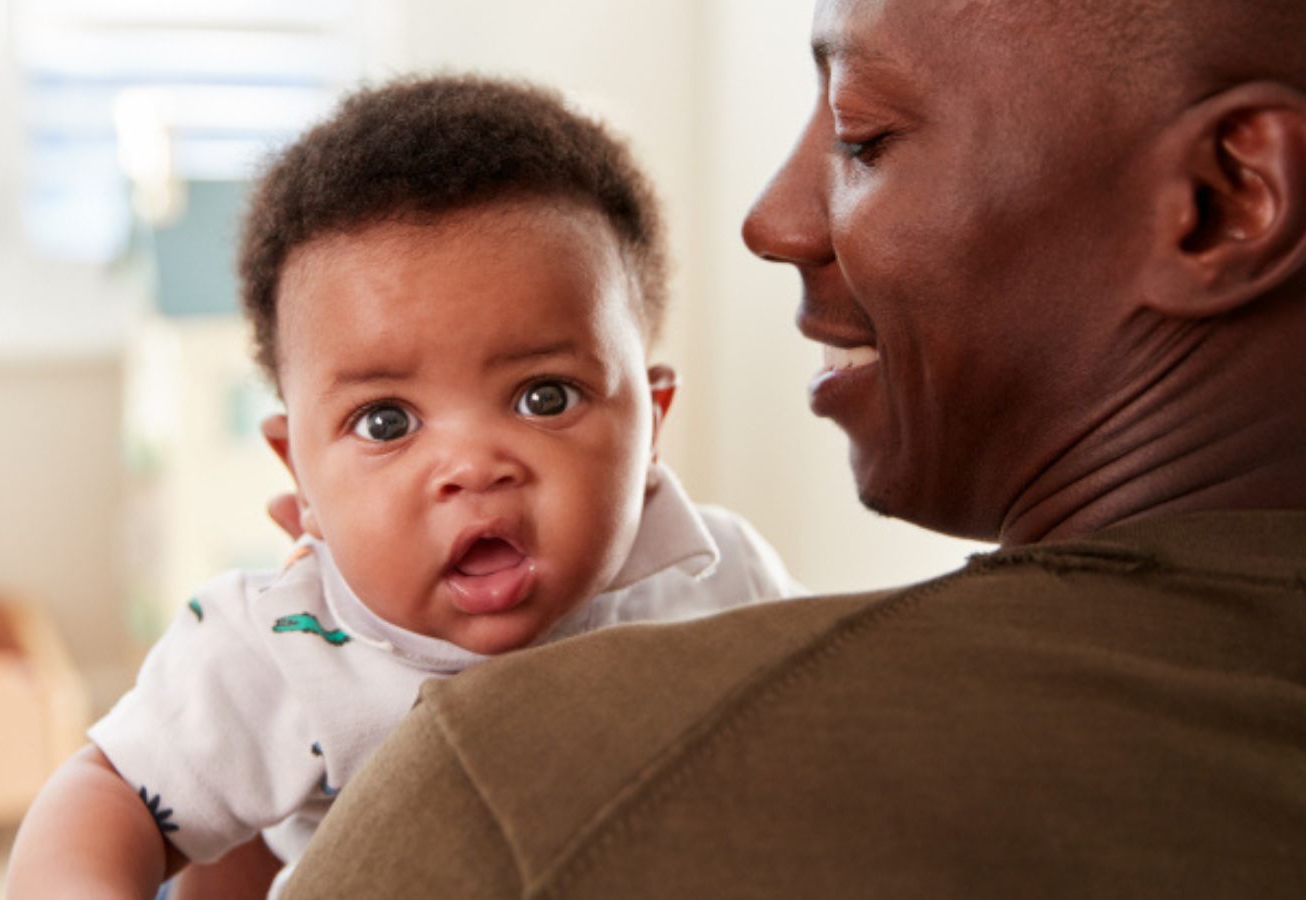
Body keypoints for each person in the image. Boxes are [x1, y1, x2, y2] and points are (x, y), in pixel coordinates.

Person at [280, 0, 1306, 896]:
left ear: (1222, 200)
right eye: (384, 421)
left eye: (862, 136)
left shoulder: (521, 783)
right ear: (296, 462)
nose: (770, 220)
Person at [5, 75, 802, 900]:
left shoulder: (720, 580)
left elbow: (827, 735)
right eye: (385, 422)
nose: (473, 466)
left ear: (652, 427)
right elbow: (108, 795)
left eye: (546, 396)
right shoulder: (281, 648)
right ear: (300, 479)